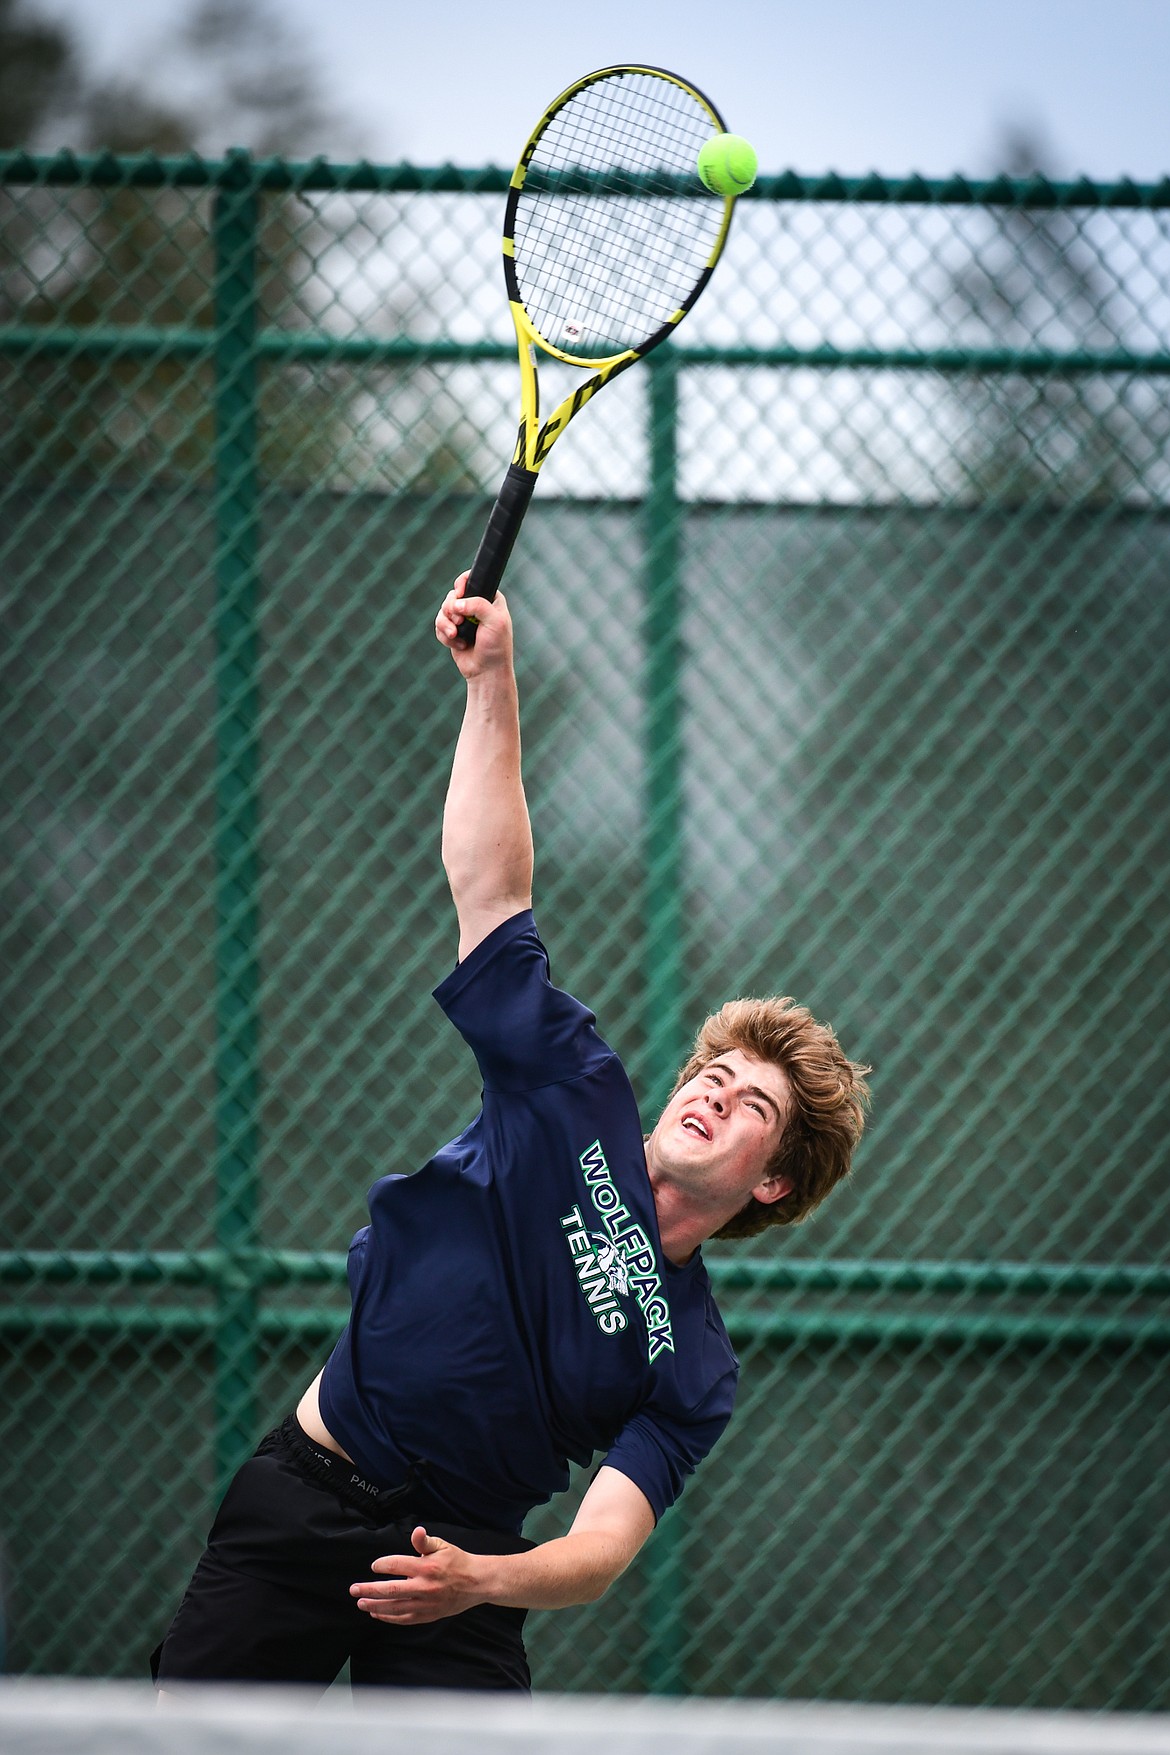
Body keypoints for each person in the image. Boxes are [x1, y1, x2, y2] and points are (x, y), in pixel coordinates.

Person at [152, 575, 869, 1696]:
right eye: (714, 1075)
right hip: (309, 1493)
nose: (717, 1096)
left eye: (754, 1108)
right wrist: (493, 681)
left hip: (466, 1569)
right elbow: (491, 888)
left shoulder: (694, 1363)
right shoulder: (570, 1088)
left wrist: (484, 1580)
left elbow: (602, 1546)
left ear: (773, 1183)